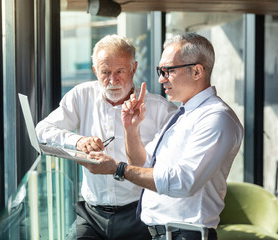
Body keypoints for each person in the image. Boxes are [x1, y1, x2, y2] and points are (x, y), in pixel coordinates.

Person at [82, 32, 244, 240]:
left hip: (185, 235)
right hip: (162, 234)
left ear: (196, 71)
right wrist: (131, 130)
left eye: (168, 71)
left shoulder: (216, 118)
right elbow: (143, 164)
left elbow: (184, 182)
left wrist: (118, 169)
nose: (161, 79)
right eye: (161, 71)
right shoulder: (181, 115)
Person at [36, 34, 177, 239]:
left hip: (141, 214)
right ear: (95, 71)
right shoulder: (81, 95)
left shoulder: (161, 110)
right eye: (105, 72)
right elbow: (42, 130)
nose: (112, 80)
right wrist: (78, 141)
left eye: (120, 71)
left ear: (133, 69)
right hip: (91, 215)